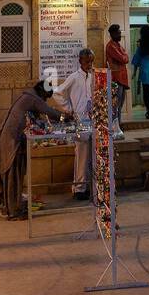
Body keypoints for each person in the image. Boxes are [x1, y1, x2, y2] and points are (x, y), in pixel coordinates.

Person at [0, 80, 69, 220]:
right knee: (14, 174)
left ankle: (11, 205)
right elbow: (49, 111)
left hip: (9, 138)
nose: (44, 100)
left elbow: (38, 117)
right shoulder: (33, 98)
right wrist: (64, 117)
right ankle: (13, 210)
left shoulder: (28, 95)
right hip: (12, 141)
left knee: (14, 174)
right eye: (46, 97)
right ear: (42, 92)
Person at [53, 48, 96, 200]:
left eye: (91, 61)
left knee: (95, 155)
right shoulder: (74, 77)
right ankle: (79, 188)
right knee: (82, 155)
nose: (89, 64)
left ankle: (94, 187)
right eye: (87, 61)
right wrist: (69, 110)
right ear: (80, 61)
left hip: (95, 120)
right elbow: (57, 93)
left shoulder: (95, 76)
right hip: (80, 120)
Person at [131, 24, 149, 119]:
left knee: (146, 91)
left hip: (145, 68)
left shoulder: (141, 43)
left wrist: (135, 72)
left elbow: (137, 58)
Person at [105, 24, 130, 128]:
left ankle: (118, 126)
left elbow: (126, 57)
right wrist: (124, 56)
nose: (120, 34)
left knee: (119, 105)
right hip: (116, 78)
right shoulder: (111, 46)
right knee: (115, 105)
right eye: (118, 33)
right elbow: (124, 59)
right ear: (113, 34)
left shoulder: (117, 45)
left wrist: (124, 56)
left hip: (121, 78)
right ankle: (115, 127)